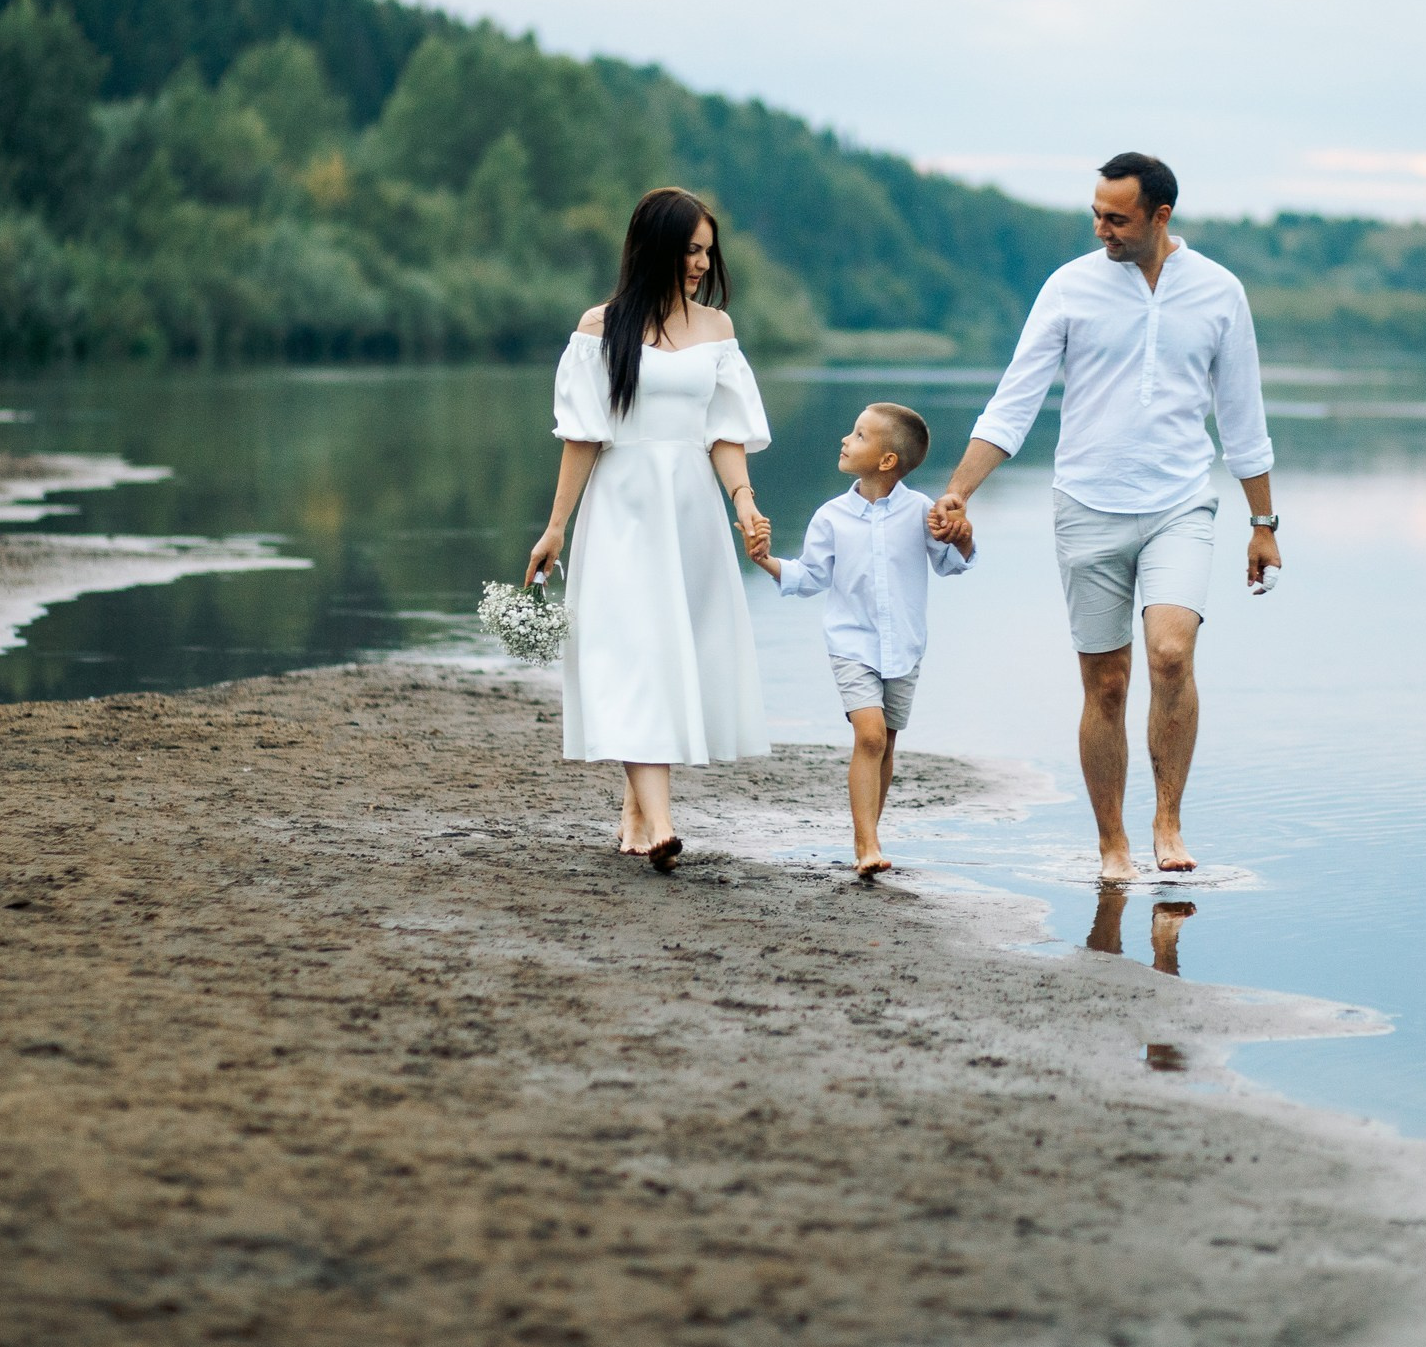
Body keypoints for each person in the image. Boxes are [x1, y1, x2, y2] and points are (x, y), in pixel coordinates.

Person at [926, 152, 1280, 882]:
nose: (1101, 229)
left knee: (1171, 654)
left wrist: (1264, 522)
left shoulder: (1219, 292)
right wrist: (960, 490)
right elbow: (1015, 399)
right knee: (1109, 683)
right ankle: (1112, 841)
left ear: (1160, 216)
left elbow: (1243, 416)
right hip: (1086, 504)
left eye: (1116, 217)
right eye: (1096, 213)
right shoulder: (1070, 287)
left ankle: (1169, 820)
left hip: (1182, 502)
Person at [525, 187, 772, 872]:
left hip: (689, 507)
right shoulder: (601, 328)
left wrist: (744, 503)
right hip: (623, 508)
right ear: (656, 246)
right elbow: (583, 436)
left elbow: (725, 433)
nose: (701, 262)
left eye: (706, 251)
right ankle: (660, 821)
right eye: (690, 249)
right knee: (634, 653)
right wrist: (555, 529)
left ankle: (638, 810)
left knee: (672, 653)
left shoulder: (717, 330)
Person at [745, 403, 975, 878]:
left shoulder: (921, 511)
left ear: (887, 461)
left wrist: (963, 538)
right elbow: (809, 577)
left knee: (886, 743)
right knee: (868, 734)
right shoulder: (831, 515)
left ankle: (870, 829)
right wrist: (765, 559)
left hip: (906, 646)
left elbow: (951, 563)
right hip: (851, 644)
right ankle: (865, 842)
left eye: (859, 435)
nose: (845, 440)